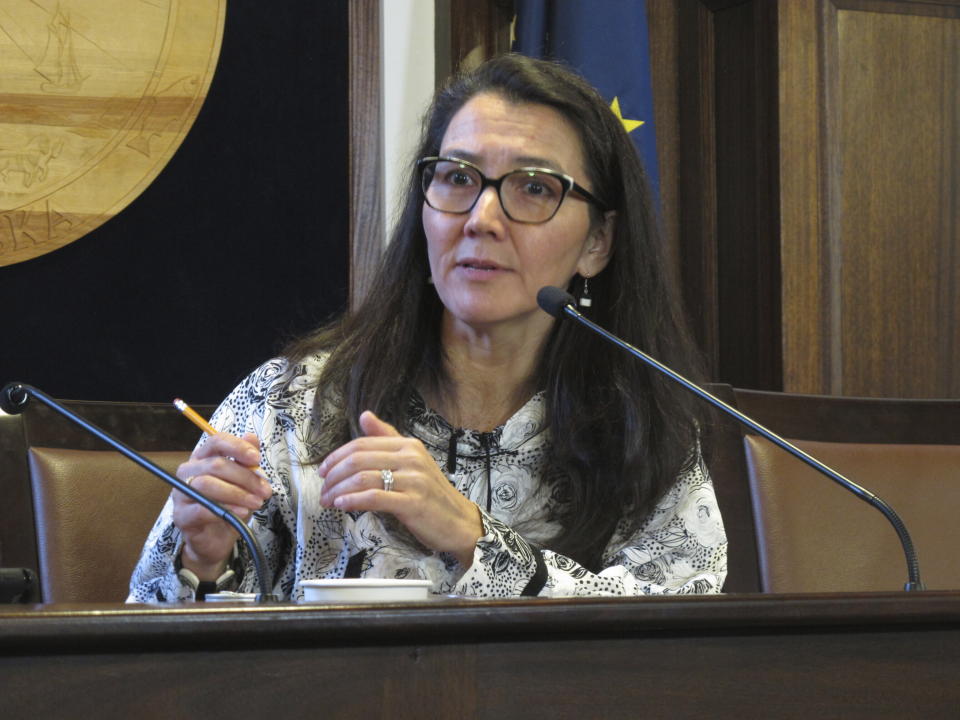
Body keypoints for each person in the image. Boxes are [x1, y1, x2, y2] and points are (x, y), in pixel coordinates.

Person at [128, 54, 726, 603]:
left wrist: (473, 536)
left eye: (535, 187)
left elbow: (680, 637)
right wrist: (204, 560)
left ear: (597, 243)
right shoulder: (290, 403)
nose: (482, 218)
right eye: (458, 179)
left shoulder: (644, 425)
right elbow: (152, 658)